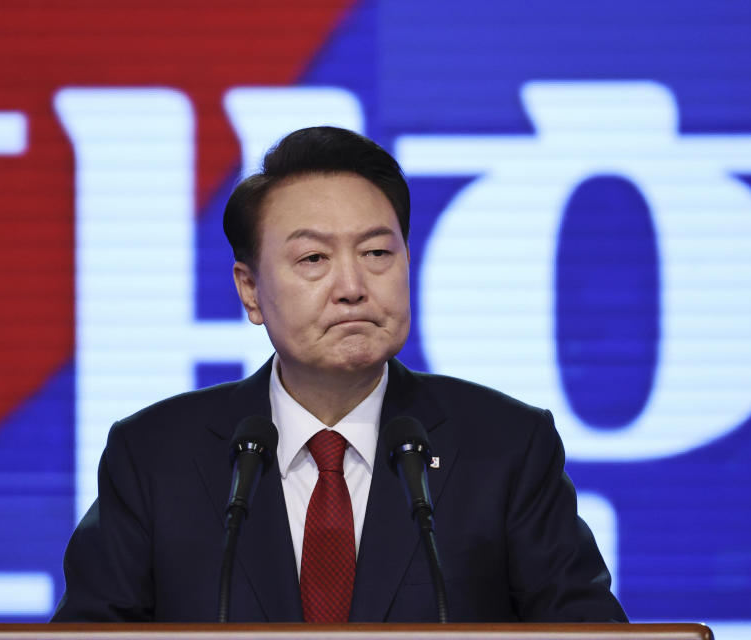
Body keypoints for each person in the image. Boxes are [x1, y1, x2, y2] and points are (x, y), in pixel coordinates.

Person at [51, 126, 627, 623]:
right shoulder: (154, 455)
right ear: (249, 289)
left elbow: (587, 629)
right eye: (313, 260)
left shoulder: (505, 446)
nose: (353, 286)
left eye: (377, 253)